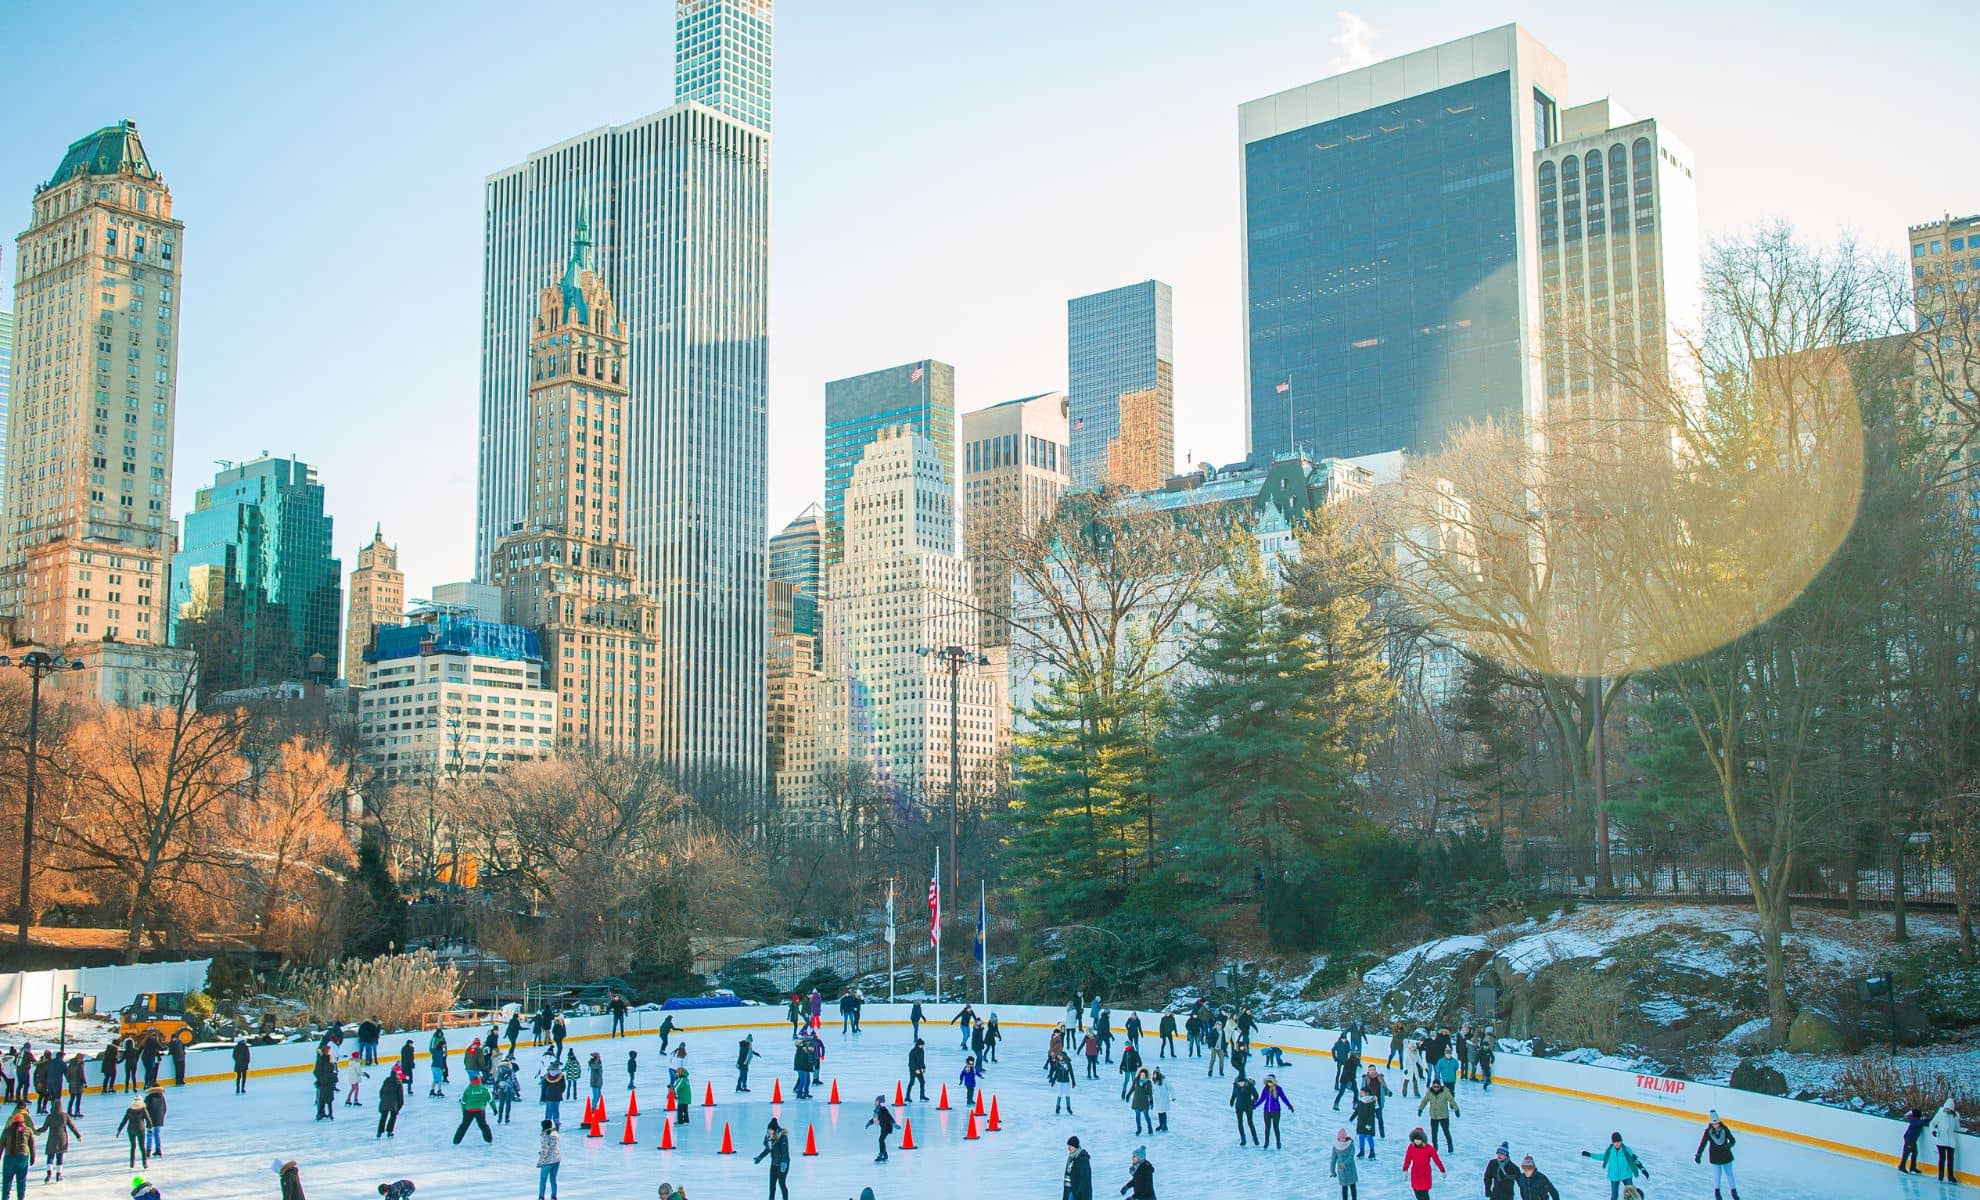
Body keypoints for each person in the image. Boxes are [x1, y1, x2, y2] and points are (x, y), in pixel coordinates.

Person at [1582, 1131, 1649, 1200]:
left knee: (1631, 1194)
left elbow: (1634, 1160)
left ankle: (1638, 1195)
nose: (1617, 1143)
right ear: (1612, 1142)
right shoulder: (1610, 1151)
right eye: (1615, 1142)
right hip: (1614, 1176)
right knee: (1614, 1197)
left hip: (1626, 1175)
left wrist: (1643, 1170)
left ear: (1621, 1141)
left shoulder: (1626, 1149)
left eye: (1618, 1141)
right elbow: (1602, 1157)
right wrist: (1590, 1155)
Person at [1695, 1110, 1739, 1199]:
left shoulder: (1725, 1129)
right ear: (1711, 1124)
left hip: (1726, 1155)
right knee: (1717, 1175)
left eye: (1717, 1123)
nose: (1716, 1125)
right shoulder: (1708, 1132)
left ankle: (1734, 1193)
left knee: (1729, 1174)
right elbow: (1703, 1143)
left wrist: (1729, 1145)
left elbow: (1733, 1140)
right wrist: (1699, 1154)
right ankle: (1717, 1194)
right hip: (1715, 1157)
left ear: (1719, 1122)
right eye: (1714, 1124)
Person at [1402, 1127, 1445, 1200]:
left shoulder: (1429, 1148)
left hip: (1425, 1174)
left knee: (1424, 1195)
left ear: (1423, 1139)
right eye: (1415, 1139)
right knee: (1417, 1193)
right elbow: (1407, 1159)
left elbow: (1436, 1159)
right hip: (1415, 1174)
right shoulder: (1411, 1147)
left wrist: (1442, 1170)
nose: (1417, 1141)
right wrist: (1405, 1170)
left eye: (1419, 1139)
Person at [37, 1107, 78, 1182]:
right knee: (60, 1156)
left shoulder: (50, 1116)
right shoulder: (65, 1115)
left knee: (50, 1156)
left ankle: (49, 1174)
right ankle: (59, 1174)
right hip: (62, 1138)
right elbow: (72, 1126)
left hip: (52, 1138)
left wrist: (37, 1131)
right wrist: (78, 1135)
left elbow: (44, 1128)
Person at [755, 1118, 791, 1200]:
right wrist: (760, 1157)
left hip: (783, 1164)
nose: (769, 1131)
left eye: (771, 1130)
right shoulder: (769, 1138)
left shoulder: (782, 1137)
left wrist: (784, 1163)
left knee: (782, 1184)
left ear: (775, 1130)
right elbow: (768, 1149)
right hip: (774, 1164)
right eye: (769, 1129)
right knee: (772, 1186)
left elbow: (785, 1152)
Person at [1417, 1079, 1458, 1153]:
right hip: (1434, 1116)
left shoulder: (1445, 1091)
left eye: (1437, 1087)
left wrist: (1456, 1109)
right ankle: (1435, 1148)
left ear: (1440, 1086)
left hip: (1444, 1116)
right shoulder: (1429, 1091)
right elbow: (1425, 1101)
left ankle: (1450, 1146)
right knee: (1434, 1133)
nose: (1436, 1088)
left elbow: (1451, 1100)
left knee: (1446, 1132)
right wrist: (1420, 1108)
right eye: (1434, 1086)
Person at [1, 1110, 34, 1200]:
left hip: (9, 1158)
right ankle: (20, 1198)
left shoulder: (7, 1130)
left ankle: (5, 1198)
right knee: (21, 1180)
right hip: (22, 1157)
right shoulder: (28, 1130)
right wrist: (32, 1157)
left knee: (7, 1181)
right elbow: (32, 1145)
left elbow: (1, 1145)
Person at [454, 1072, 493, 1145]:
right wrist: (494, 1109)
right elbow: (491, 1100)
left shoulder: (468, 1090)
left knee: (464, 1125)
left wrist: (464, 1111)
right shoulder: (484, 1089)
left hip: (469, 1110)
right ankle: (489, 1139)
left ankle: (456, 1141)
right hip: (480, 1110)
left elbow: (463, 1102)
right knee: (483, 1125)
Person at [1929, 1098, 1962, 1184]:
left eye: (1949, 1108)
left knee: (1950, 1159)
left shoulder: (1955, 1116)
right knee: (1942, 1158)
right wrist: (1933, 1130)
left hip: (1951, 1141)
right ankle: (1941, 1175)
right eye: (1946, 1108)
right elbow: (1932, 1123)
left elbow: (1957, 1128)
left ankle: (1950, 1176)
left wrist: (1964, 1130)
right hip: (1941, 1140)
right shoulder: (1940, 1114)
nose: (1947, 1110)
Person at [1258, 1074, 1294, 1149]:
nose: (1269, 1084)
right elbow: (1261, 1099)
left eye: (1270, 1082)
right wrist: (1254, 1106)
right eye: (1268, 1082)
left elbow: (1284, 1098)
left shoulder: (1278, 1089)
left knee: (1275, 1127)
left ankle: (1278, 1142)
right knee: (1267, 1127)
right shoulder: (1265, 1089)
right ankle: (1266, 1142)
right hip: (1266, 1112)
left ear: (1274, 1082)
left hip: (1276, 1111)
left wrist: (1289, 1105)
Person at [115, 1095, 151, 1168]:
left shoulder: (129, 1110)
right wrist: (150, 1128)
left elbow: (124, 1121)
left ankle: (132, 1163)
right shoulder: (143, 1109)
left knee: (133, 1146)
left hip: (131, 1130)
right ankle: (144, 1163)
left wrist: (119, 1130)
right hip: (140, 1130)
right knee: (142, 1147)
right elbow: (148, 1120)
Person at [1229, 1074, 1260, 1147]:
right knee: (1240, 1122)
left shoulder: (1249, 1086)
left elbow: (1256, 1096)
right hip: (1239, 1107)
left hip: (1248, 1107)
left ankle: (1255, 1139)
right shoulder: (1236, 1086)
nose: (1241, 1084)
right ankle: (1243, 1139)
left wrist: (1252, 1103)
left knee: (1250, 1122)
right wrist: (1232, 1101)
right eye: (1239, 1083)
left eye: (1242, 1082)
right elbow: (1234, 1094)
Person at [378, 1064, 406, 1138]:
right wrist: (400, 1105)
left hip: (384, 1101)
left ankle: (379, 1132)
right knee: (393, 1116)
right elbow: (400, 1096)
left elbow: (381, 1092)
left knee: (383, 1116)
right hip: (393, 1103)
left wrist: (383, 1099)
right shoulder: (398, 1083)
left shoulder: (386, 1081)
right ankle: (389, 1131)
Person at [1331, 1127, 1359, 1200]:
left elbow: (1351, 1156)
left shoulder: (1350, 1144)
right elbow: (1333, 1159)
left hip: (1351, 1169)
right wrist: (1332, 1171)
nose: (1342, 1140)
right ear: (1338, 1138)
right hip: (1342, 1171)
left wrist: (1344, 1164)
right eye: (1341, 1138)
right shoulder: (1336, 1146)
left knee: (1353, 1187)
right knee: (1344, 1188)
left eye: (1343, 1138)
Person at [536, 1119, 562, 1200]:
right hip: (557, 1159)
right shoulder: (555, 1133)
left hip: (548, 1161)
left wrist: (540, 1162)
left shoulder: (545, 1135)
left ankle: (541, 1197)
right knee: (553, 1179)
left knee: (543, 1180)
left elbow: (545, 1150)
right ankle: (554, 1196)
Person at [867, 1094, 897, 1163]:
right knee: (881, 1140)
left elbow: (889, 1117)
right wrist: (870, 1122)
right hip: (883, 1127)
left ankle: (882, 1154)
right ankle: (884, 1154)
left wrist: (894, 1124)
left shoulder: (883, 1109)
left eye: (876, 1101)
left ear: (879, 1102)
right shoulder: (878, 1109)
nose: (875, 1102)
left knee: (881, 1140)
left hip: (887, 1127)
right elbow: (875, 1118)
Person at [1063, 1136, 1094, 1200]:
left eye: (1071, 1146)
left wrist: (1080, 1193)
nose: (1069, 1148)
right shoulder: (1070, 1158)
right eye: (1068, 1146)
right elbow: (1067, 1176)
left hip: (1081, 1193)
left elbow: (1085, 1178)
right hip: (1070, 1191)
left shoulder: (1083, 1158)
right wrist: (1066, 1193)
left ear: (1075, 1146)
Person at [1901, 1107, 1929, 1174]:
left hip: (1911, 1139)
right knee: (1907, 1153)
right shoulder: (1917, 1121)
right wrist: (1930, 1119)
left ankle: (1912, 1167)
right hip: (1910, 1139)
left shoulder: (1914, 1120)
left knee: (1914, 1152)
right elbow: (1924, 1123)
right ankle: (1902, 1166)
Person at [1049, 1050, 1077, 1114]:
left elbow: (1071, 1073)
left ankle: (1068, 1108)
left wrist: (1073, 1082)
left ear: (1063, 1056)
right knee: (1059, 1094)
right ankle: (1057, 1107)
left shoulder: (1068, 1064)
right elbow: (1056, 1073)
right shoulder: (1058, 1063)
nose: (1059, 1057)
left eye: (1060, 1056)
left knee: (1067, 1095)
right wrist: (1053, 1081)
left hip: (1066, 1082)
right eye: (1059, 1056)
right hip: (1059, 1082)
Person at [142, 1084, 166, 1158]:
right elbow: (165, 1108)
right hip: (159, 1119)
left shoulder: (148, 1097)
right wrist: (161, 1116)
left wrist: (143, 1118)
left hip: (150, 1120)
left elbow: (145, 1109)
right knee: (157, 1135)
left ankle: (148, 1151)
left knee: (149, 1135)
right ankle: (158, 1150)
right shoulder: (162, 1097)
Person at [1129, 1067, 1154, 1135]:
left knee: (1146, 1116)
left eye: (1144, 1075)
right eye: (1141, 1075)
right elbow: (1132, 1088)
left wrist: (1151, 1101)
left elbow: (1150, 1093)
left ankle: (1150, 1128)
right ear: (1139, 1074)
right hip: (1136, 1101)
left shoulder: (1148, 1083)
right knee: (1137, 1117)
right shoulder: (1136, 1080)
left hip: (1144, 1102)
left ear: (1146, 1076)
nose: (1142, 1076)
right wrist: (1128, 1095)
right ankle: (1139, 1129)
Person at [1151, 1067, 1172, 1132]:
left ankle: (1164, 1126)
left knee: (1163, 1112)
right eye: (1153, 1074)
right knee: (1160, 1112)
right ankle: (1161, 1125)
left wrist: (1173, 1097)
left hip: (1164, 1099)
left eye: (1155, 1074)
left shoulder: (1164, 1080)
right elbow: (1152, 1090)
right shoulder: (1154, 1082)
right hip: (1157, 1100)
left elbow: (1170, 1088)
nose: (1154, 1075)